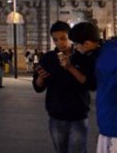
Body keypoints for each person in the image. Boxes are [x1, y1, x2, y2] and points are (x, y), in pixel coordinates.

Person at [69, 23, 117, 153]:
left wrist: (111, 93)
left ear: (87, 43)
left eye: (76, 44)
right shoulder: (106, 51)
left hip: (116, 122)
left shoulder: (109, 53)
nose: (76, 48)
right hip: (111, 120)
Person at [33, 21, 95, 153]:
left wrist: (70, 68)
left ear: (70, 37)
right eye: (55, 40)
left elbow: (89, 84)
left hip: (78, 116)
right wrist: (41, 78)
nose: (59, 43)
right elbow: (38, 87)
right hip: (56, 117)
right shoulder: (48, 58)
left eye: (63, 38)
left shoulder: (80, 57)